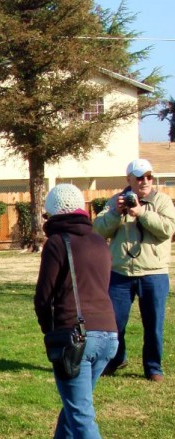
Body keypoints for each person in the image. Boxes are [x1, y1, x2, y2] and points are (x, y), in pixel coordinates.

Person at [35, 184, 120, 439]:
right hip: (108, 335)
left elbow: (44, 298)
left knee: (82, 414)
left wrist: (51, 333)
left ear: (54, 212)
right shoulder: (100, 241)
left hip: (75, 338)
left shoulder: (57, 243)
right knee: (76, 405)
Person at [93, 158, 175, 382]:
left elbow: (168, 229)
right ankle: (115, 359)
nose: (145, 181)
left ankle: (153, 367)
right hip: (121, 274)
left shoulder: (162, 201)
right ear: (128, 179)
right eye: (140, 177)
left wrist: (142, 213)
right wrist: (115, 213)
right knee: (114, 324)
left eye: (149, 176)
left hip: (154, 272)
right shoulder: (114, 202)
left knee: (154, 324)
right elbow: (98, 230)